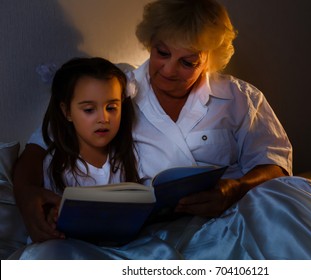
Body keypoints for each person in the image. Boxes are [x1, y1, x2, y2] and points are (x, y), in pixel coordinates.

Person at [13, 0, 292, 246]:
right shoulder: (115, 88)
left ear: (209, 58)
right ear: (150, 41)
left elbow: (275, 164)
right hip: (150, 234)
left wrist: (236, 189)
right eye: (162, 53)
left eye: (187, 62)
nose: (169, 70)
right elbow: (41, 145)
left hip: (232, 221)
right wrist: (26, 196)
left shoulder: (239, 97)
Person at [15, 57, 140, 241]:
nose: (103, 118)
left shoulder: (126, 156)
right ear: (67, 112)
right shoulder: (58, 163)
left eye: (112, 107)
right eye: (89, 110)